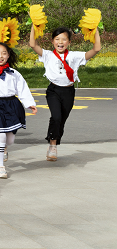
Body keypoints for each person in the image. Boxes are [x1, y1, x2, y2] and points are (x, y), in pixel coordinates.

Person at [29, 25, 101, 160]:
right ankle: (52, 145)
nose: (60, 42)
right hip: (53, 91)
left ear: (69, 42)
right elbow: (32, 44)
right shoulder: (47, 55)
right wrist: (34, 25)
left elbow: (96, 49)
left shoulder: (75, 56)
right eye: (57, 39)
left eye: (64, 39)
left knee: (61, 120)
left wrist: (95, 30)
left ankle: (54, 141)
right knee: (56, 117)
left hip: (68, 91)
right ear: (52, 41)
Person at [0, 35, 37, 178]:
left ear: (8, 55)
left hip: (12, 105)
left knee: (9, 140)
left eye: (4, 53)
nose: (0, 56)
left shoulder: (14, 73)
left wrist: (30, 104)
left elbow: (23, 89)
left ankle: (4, 149)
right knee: (1, 136)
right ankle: (0, 167)